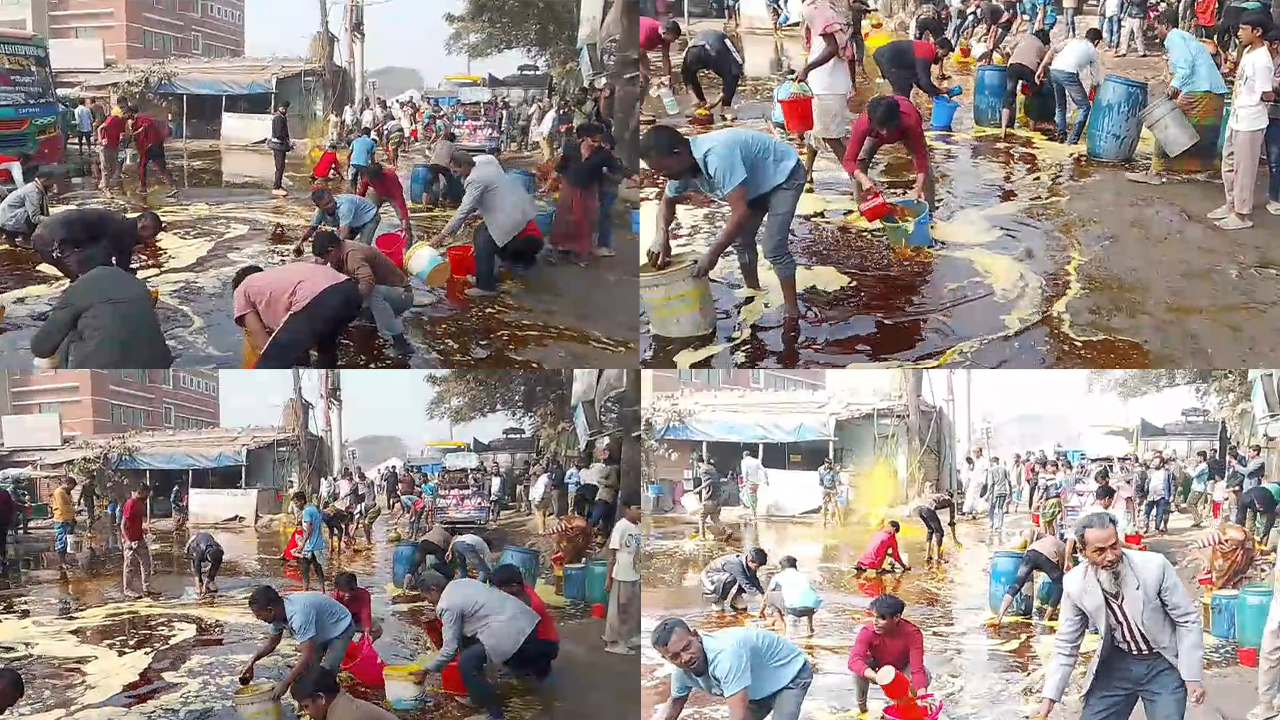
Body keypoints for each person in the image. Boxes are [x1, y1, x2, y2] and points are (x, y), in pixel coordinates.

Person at [1036, 512, 1205, 720]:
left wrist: (1192, 677)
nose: (1110, 556)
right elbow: (1066, 644)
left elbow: (1186, 619)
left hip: (1163, 663)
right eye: (1099, 551)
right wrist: (1048, 700)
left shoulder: (1153, 567)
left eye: (1114, 546)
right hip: (1117, 664)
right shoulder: (1074, 584)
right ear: (1082, 551)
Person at [642, 125, 806, 319]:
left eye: (663, 169)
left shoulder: (717, 157)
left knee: (773, 247)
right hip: (754, 183)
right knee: (741, 240)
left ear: (678, 152)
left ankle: (792, 311)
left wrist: (712, 255)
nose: (663, 176)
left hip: (784, 176)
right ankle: (753, 292)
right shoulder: (680, 167)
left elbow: (740, 211)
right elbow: (666, 203)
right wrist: (661, 234)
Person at [407, 573, 555, 720]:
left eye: (427, 598)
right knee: (467, 644)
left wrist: (426, 670)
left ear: (433, 589)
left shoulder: (447, 604)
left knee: (466, 663)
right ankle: (478, 694)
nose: (428, 603)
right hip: (526, 620)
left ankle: (495, 714)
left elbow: (449, 649)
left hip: (509, 632)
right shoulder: (462, 583)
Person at [30, 237, 171, 367]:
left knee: (68, 332)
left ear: (79, 264)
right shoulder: (137, 284)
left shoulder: (80, 287)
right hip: (158, 368)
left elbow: (40, 348)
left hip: (102, 378)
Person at [1130, 13, 1229, 181]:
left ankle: (1157, 171)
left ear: (1166, 25)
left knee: (1167, 126)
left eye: (1157, 27)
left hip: (1200, 89)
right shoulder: (1184, 37)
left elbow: (1185, 65)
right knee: (1203, 133)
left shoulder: (1173, 37)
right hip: (1211, 89)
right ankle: (1206, 170)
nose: (1156, 32)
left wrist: (1174, 86)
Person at [651, 618, 813, 720]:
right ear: (666, 658)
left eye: (687, 647)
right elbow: (675, 705)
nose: (685, 658)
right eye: (675, 657)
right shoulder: (681, 673)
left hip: (791, 674)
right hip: (756, 685)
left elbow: (738, 716)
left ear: (696, 636)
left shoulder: (727, 656)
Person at [432, 152, 543, 298]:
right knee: (486, 233)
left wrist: (442, 235)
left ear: (465, 166)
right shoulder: (487, 162)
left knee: (484, 238)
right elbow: (496, 194)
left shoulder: (474, 179)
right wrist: (478, 213)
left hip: (523, 234)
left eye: (456, 170)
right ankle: (523, 263)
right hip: (520, 214)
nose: (456, 174)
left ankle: (485, 286)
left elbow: (463, 210)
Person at [231, 260, 363, 369]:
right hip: (351, 291)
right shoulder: (278, 280)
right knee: (325, 348)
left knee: (271, 361)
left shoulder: (241, 291)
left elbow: (264, 344)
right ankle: (325, 389)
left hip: (318, 299)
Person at [1212, 12, 1276, 230]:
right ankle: (1231, 204)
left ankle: (1242, 214)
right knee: (1228, 163)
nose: (1238, 33)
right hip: (1237, 116)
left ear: (1257, 32)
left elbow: (1267, 94)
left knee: (1244, 170)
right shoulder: (1248, 51)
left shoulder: (1262, 61)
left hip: (1251, 121)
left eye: (1243, 29)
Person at [311, 230, 414, 360]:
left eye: (325, 258)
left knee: (371, 293)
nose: (325, 261)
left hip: (402, 294)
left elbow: (367, 282)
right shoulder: (339, 251)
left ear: (332, 250)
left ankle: (401, 343)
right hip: (386, 292)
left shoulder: (353, 255)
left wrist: (349, 303)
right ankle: (369, 320)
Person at [242, 586, 356, 701]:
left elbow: (306, 654)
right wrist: (252, 662)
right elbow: (272, 642)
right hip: (319, 630)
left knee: (326, 671)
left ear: (270, 610)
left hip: (341, 626)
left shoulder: (299, 616)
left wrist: (285, 683)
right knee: (309, 671)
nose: (258, 618)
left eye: (258, 614)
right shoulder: (278, 615)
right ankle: (311, 702)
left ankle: (330, 703)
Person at [797, 0, 854, 187]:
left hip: (827, 85)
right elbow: (846, 50)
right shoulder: (828, 7)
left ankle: (859, 182)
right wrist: (852, 82)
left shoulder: (816, 8)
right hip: (830, 82)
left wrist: (807, 69)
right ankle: (807, 171)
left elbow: (832, 47)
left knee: (832, 137)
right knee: (817, 129)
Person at [547, 123, 621, 265]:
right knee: (565, 218)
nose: (596, 144)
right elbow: (561, 166)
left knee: (583, 220)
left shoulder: (602, 154)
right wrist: (548, 184)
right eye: (593, 141)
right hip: (569, 188)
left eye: (598, 141)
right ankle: (560, 248)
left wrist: (633, 177)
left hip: (588, 191)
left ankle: (579, 253)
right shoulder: (571, 148)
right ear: (584, 139)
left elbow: (617, 167)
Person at [848, 594, 929, 715]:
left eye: (882, 618)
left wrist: (923, 697)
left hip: (901, 669)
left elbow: (917, 669)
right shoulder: (868, 632)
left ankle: (906, 709)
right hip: (877, 670)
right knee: (859, 669)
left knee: (924, 676)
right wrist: (877, 677)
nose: (875, 622)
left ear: (897, 617)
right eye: (874, 617)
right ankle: (862, 709)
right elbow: (853, 660)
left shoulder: (913, 634)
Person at [843, 94, 934, 201]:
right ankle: (860, 204)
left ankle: (930, 208)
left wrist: (919, 185)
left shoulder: (910, 121)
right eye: (882, 127)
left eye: (887, 127)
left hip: (904, 131)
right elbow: (848, 160)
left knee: (925, 168)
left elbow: (920, 156)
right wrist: (864, 180)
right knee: (861, 162)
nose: (885, 132)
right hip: (875, 135)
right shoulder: (864, 124)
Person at [32, 208, 163, 281]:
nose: (150, 240)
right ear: (142, 224)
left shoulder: (117, 223)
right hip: (54, 237)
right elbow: (119, 262)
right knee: (94, 277)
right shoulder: (124, 230)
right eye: (152, 234)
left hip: (43, 234)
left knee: (80, 280)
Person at [1037, 28, 1103, 145]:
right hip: (1068, 74)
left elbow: (1053, 49)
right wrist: (1093, 93)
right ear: (1097, 42)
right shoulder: (1093, 51)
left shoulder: (1072, 41)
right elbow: (1095, 79)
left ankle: (1061, 134)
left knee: (1060, 105)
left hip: (1054, 70)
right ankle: (1073, 140)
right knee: (1084, 107)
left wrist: (1041, 68)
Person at [993, 530, 1067, 623]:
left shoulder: (1047, 538)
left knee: (1017, 584)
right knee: (1060, 584)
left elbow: (1032, 532)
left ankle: (999, 617)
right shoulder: (1064, 547)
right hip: (1045, 558)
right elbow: (1062, 566)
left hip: (1030, 553)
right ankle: (1047, 618)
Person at [604, 495, 642, 655]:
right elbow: (611, 553)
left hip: (635, 573)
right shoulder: (621, 526)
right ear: (627, 509)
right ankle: (615, 642)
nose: (641, 512)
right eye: (637, 508)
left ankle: (628, 637)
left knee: (633, 608)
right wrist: (609, 577)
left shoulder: (638, 526)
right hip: (622, 573)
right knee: (620, 610)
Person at [681, 29, 746, 122]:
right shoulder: (689, 56)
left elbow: (734, 76)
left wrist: (716, 101)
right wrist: (695, 99)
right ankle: (700, 103)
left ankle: (726, 107)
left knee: (734, 72)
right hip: (698, 44)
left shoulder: (719, 55)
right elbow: (687, 77)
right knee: (689, 75)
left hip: (718, 43)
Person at [492, 563, 560, 651]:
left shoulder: (530, 605)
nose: (500, 591)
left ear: (514, 585)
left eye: (502, 588)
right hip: (540, 640)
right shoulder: (523, 589)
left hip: (544, 644)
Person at [290, 665, 398, 720]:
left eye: (306, 706)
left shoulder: (342, 716)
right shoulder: (339, 700)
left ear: (320, 698)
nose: (305, 712)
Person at [1002, 30, 1051, 138]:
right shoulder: (1042, 47)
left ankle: (1003, 130)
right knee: (1036, 93)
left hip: (1012, 66)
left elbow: (1007, 50)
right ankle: (1032, 126)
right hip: (1028, 68)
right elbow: (1043, 67)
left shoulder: (1024, 38)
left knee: (1009, 95)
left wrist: (1007, 62)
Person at [298, 189, 381, 251]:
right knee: (338, 244)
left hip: (370, 217)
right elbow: (312, 229)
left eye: (331, 201)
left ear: (332, 197)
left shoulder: (345, 206)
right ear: (319, 207)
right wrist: (300, 243)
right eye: (326, 205)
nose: (331, 205)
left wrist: (334, 250)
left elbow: (344, 233)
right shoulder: (320, 212)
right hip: (353, 221)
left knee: (363, 248)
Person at [761, 555, 823, 638]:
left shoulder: (778, 576)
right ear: (795, 566)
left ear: (782, 567)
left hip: (793, 609)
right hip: (812, 608)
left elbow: (766, 596)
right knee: (806, 596)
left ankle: (781, 624)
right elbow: (812, 592)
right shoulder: (805, 576)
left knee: (771, 595)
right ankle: (810, 627)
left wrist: (760, 611)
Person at [872, 38, 953, 99]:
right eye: (944, 55)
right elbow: (924, 81)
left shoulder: (927, 49)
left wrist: (933, 91)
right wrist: (938, 91)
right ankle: (897, 113)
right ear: (937, 48)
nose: (942, 59)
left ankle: (899, 108)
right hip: (885, 58)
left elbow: (917, 78)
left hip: (891, 58)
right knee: (903, 88)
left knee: (910, 78)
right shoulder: (926, 53)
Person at [124, 106, 178, 197]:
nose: (124, 115)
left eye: (125, 113)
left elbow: (145, 126)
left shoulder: (141, 119)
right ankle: (172, 187)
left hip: (149, 147)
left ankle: (143, 188)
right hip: (154, 145)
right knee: (161, 168)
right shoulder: (134, 122)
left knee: (142, 167)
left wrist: (135, 132)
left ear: (131, 113)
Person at [357, 162, 413, 243]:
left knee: (403, 219)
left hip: (392, 195)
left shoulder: (391, 177)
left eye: (373, 179)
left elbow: (399, 199)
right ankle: (365, 242)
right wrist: (357, 204)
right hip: (377, 193)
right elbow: (362, 191)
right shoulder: (368, 177)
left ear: (380, 175)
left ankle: (409, 240)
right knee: (369, 213)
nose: (371, 181)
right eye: (370, 179)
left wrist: (404, 218)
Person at [701, 548, 768, 611]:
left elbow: (754, 580)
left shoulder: (748, 565)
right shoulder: (736, 565)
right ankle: (718, 600)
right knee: (733, 577)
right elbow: (746, 584)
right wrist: (759, 598)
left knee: (746, 576)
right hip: (710, 577)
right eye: (756, 567)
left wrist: (763, 595)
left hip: (722, 576)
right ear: (750, 561)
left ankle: (736, 599)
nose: (757, 569)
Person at [0, 171, 56, 245]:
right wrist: (53, 220)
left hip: (7, 217)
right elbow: (35, 217)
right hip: (7, 221)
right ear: (44, 180)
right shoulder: (33, 192)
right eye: (52, 181)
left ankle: (12, 236)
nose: (53, 184)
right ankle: (24, 238)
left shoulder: (36, 187)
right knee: (35, 217)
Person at [292, 491, 330, 592]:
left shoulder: (306, 512)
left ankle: (305, 591)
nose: (296, 505)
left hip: (310, 546)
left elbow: (308, 530)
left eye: (296, 503)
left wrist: (301, 545)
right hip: (319, 545)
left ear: (302, 501)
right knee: (318, 569)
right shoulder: (314, 509)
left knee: (304, 570)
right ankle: (323, 591)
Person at [121, 484, 154, 599]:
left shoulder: (140, 504)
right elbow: (123, 525)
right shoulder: (130, 504)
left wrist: (143, 529)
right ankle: (127, 589)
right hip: (130, 539)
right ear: (140, 492)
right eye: (146, 494)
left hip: (139, 538)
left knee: (146, 562)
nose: (147, 497)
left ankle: (147, 587)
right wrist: (128, 541)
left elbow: (137, 520)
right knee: (130, 565)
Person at [640, 17, 683, 103]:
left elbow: (665, 57)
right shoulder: (647, 34)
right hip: (630, 46)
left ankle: (640, 110)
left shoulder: (665, 38)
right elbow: (637, 58)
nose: (673, 41)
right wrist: (652, 77)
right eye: (673, 39)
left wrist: (668, 79)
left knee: (646, 80)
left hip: (640, 50)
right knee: (640, 80)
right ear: (665, 33)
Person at [332, 572, 382, 642]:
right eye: (344, 591)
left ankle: (361, 647)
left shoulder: (364, 595)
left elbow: (365, 615)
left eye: (351, 590)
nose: (347, 594)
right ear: (338, 590)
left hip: (357, 621)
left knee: (377, 630)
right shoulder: (333, 598)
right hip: (341, 622)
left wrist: (366, 633)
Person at [914, 490, 957, 561]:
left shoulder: (938, 496)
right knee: (940, 532)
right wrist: (952, 524)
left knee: (930, 530)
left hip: (920, 509)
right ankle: (938, 557)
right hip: (928, 510)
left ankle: (927, 556)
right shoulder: (950, 500)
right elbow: (952, 520)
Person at [97, 107, 127, 192]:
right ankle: (106, 188)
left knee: (114, 168)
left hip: (114, 146)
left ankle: (103, 182)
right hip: (105, 146)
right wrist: (100, 140)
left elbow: (122, 132)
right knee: (105, 167)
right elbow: (100, 128)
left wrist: (122, 136)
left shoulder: (122, 122)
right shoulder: (112, 119)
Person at [186, 531, 224, 596]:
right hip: (195, 543)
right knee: (198, 585)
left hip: (208, 538)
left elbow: (214, 570)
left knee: (212, 588)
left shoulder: (218, 554)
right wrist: (199, 586)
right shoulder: (199, 552)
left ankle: (210, 583)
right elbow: (197, 569)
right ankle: (199, 584)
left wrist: (206, 584)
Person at [52, 477, 76, 569]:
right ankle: (61, 562)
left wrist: (72, 517)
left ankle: (64, 561)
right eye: (71, 487)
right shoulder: (59, 492)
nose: (72, 489)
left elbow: (69, 506)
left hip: (67, 518)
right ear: (67, 483)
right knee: (62, 540)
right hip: (62, 519)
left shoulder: (66, 493)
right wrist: (69, 519)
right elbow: (63, 508)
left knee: (67, 540)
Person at [270, 102, 291, 197]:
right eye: (284, 108)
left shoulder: (282, 118)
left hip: (281, 146)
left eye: (286, 109)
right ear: (280, 108)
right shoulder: (278, 118)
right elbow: (279, 134)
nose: (285, 110)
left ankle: (279, 185)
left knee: (281, 167)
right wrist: (286, 141)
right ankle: (276, 187)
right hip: (278, 146)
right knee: (279, 167)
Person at [740, 450, 768, 520]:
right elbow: (764, 470)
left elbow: (744, 472)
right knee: (754, 497)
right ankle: (754, 512)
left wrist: (744, 481)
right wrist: (765, 480)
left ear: (744, 456)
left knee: (750, 498)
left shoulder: (744, 462)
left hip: (749, 482)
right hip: (756, 482)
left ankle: (754, 514)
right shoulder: (757, 461)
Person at [347, 127, 377, 193]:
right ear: (369, 134)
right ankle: (361, 193)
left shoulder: (355, 141)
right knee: (364, 180)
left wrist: (348, 164)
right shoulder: (372, 142)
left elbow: (349, 154)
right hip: (364, 164)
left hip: (353, 163)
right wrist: (373, 166)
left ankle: (353, 192)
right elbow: (372, 157)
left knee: (352, 179)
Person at [988, 455, 1013, 530]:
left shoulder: (991, 470)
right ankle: (999, 525)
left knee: (992, 507)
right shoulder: (1004, 469)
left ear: (992, 462)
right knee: (1000, 508)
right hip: (1003, 491)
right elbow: (1009, 481)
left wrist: (988, 494)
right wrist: (1010, 492)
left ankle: (991, 523)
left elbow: (991, 483)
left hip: (995, 491)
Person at [818, 458, 841, 526]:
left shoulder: (833, 471)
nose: (830, 465)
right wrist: (823, 484)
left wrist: (838, 488)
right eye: (829, 464)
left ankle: (838, 521)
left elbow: (836, 480)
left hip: (832, 490)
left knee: (835, 505)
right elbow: (820, 481)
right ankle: (824, 521)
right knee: (824, 506)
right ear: (825, 463)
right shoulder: (821, 470)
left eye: (830, 464)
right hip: (825, 489)